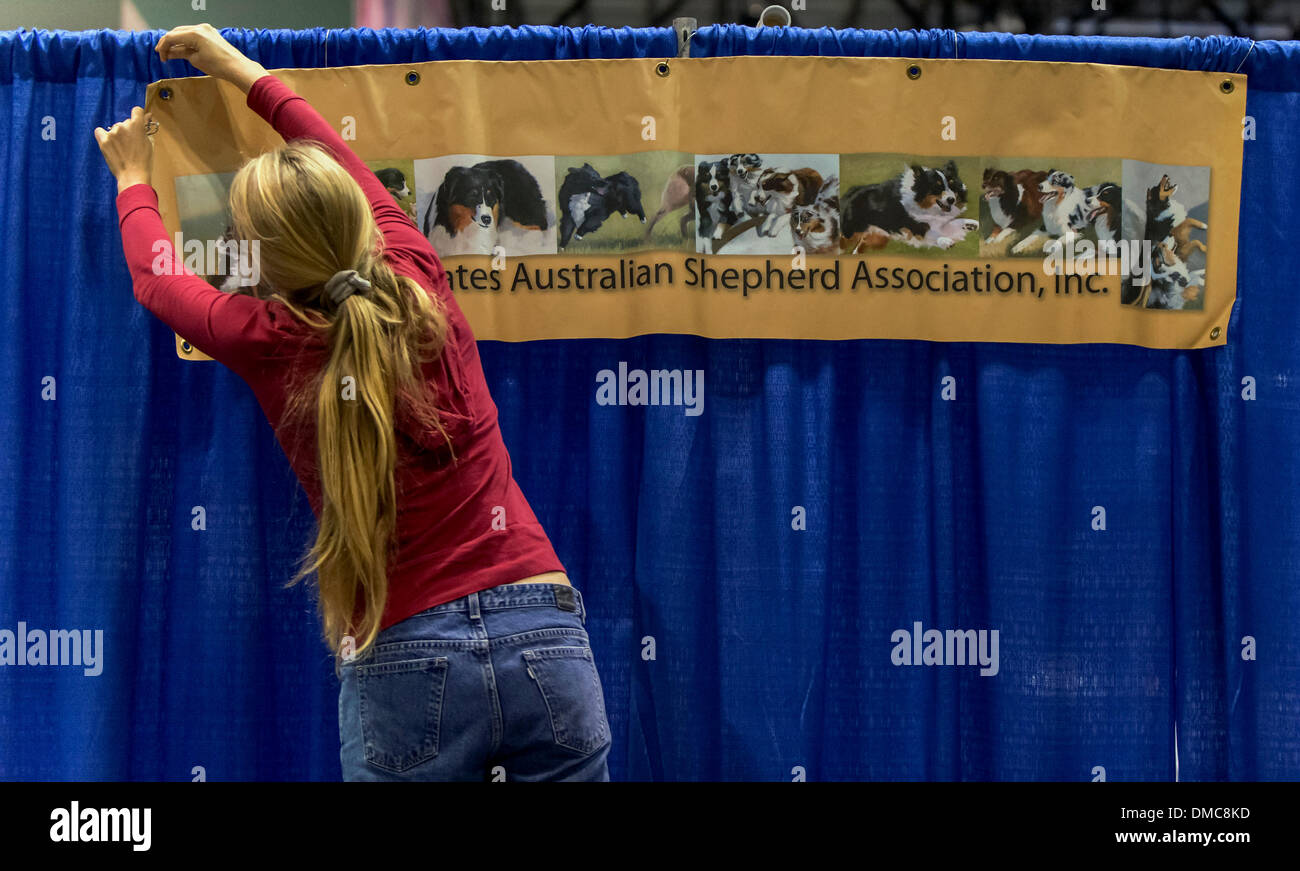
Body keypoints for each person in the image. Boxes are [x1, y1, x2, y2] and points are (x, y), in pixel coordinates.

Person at [94, 23, 611, 781]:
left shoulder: (265, 337)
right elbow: (331, 152)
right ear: (359, 220)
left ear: (260, 262)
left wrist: (132, 176)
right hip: (543, 626)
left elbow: (157, 277)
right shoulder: (416, 271)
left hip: (405, 650)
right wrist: (240, 68)